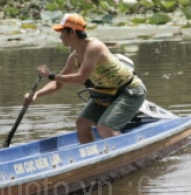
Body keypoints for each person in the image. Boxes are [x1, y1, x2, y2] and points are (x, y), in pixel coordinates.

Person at [25, 13, 147, 144]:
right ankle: (92, 156)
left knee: (105, 128)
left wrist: (51, 75)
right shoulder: (74, 57)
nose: (60, 37)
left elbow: (80, 79)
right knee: (82, 124)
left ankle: (125, 155)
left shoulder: (94, 47)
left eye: (61, 32)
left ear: (72, 32)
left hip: (130, 91)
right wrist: (36, 95)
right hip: (106, 93)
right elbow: (58, 84)